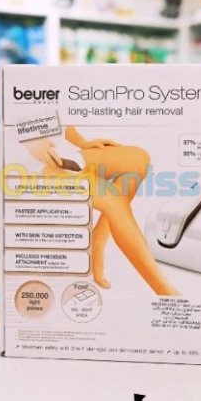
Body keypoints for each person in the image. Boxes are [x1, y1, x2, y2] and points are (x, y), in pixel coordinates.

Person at [24, 127, 179, 296]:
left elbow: (52, 119)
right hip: (26, 164)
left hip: (58, 153)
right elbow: (16, 126)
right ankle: (167, 293)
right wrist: (31, 142)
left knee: (139, 158)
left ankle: (97, 241)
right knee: (113, 200)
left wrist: (82, 143)